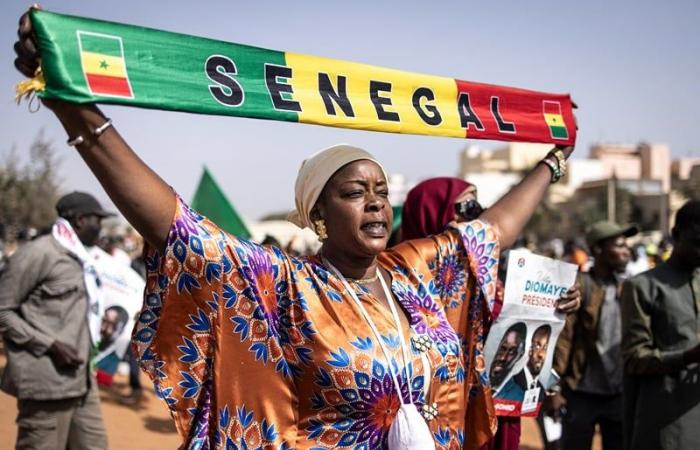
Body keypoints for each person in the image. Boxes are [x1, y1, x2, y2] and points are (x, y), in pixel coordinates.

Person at [13, 12, 575, 449]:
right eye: (355, 192)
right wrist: (74, 109)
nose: (376, 203)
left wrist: (553, 163)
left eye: (381, 191)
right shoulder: (285, 288)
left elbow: (492, 231)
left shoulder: (413, 274)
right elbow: (176, 224)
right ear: (320, 216)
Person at [399, 177, 580, 450]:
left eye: (478, 204)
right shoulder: (399, 280)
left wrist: (556, 304)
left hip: (495, 409)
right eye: (468, 206)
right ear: (432, 212)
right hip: (438, 411)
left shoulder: (487, 275)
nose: (479, 213)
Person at [0, 191, 112, 449]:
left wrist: (99, 323)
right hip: (47, 382)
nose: (101, 228)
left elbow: (68, 309)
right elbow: (3, 310)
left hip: (82, 381)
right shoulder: (39, 253)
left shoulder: (82, 259)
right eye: (98, 220)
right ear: (80, 220)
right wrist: (50, 344)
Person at [549, 220, 638, 450]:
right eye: (619, 245)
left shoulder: (628, 288)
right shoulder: (580, 287)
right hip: (581, 393)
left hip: (618, 394)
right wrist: (554, 389)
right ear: (598, 249)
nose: (626, 251)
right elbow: (563, 340)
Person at [621, 200, 700, 450]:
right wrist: (688, 356)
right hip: (666, 421)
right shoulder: (642, 286)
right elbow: (634, 358)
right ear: (676, 235)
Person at [499, 324, 552, 405]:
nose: (541, 354)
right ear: (529, 349)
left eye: (545, 348)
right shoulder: (512, 380)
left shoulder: (540, 388)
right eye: (537, 346)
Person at [489, 322, 527, 390]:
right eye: (502, 349)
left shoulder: (518, 395)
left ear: (519, 356)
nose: (503, 358)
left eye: (512, 352)